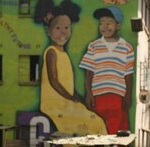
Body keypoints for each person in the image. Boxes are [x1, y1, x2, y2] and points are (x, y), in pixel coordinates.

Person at [34, 0, 107, 136]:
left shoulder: (64, 54)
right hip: (54, 103)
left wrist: (78, 97)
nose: (63, 32)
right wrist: (70, 97)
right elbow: (54, 81)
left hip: (66, 101)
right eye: (58, 28)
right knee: (85, 122)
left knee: (96, 121)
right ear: (47, 31)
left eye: (67, 28)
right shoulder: (51, 52)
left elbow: (67, 83)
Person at [79, 5, 134, 135]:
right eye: (101, 23)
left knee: (115, 129)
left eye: (109, 23)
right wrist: (89, 93)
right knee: (98, 128)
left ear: (118, 25)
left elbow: (128, 75)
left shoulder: (127, 47)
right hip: (98, 94)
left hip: (117, 94)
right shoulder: (94, 46)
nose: (105, 26)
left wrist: (128, 95)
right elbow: (89, 72)